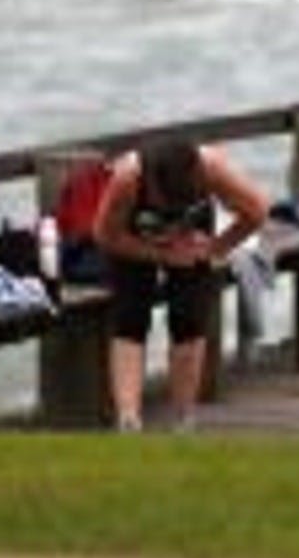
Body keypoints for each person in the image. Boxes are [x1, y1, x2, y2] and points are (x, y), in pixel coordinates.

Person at [93, 138, 268, 432]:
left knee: (189, 318)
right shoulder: (127, 178)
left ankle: (184, 417)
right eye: (166, 201)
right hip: (134, 238)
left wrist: (217, 247)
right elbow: (105, 235)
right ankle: (128, 418)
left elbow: (257, 211)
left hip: (193, 238)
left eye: (181, 200)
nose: (172, 208)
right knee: (130, 318)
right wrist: (160, 254)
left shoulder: (213, 167)